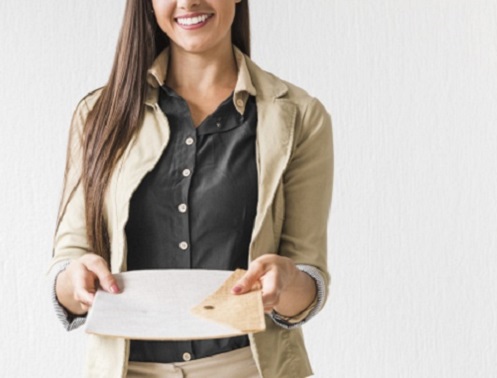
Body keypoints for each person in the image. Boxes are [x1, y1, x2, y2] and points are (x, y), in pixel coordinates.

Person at [47, 0, 333, 377]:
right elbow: (68, 261)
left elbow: (308, 281)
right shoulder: (99, 114)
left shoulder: (299, 116)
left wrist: (288, 282)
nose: (188, 2)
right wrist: (75, 280)